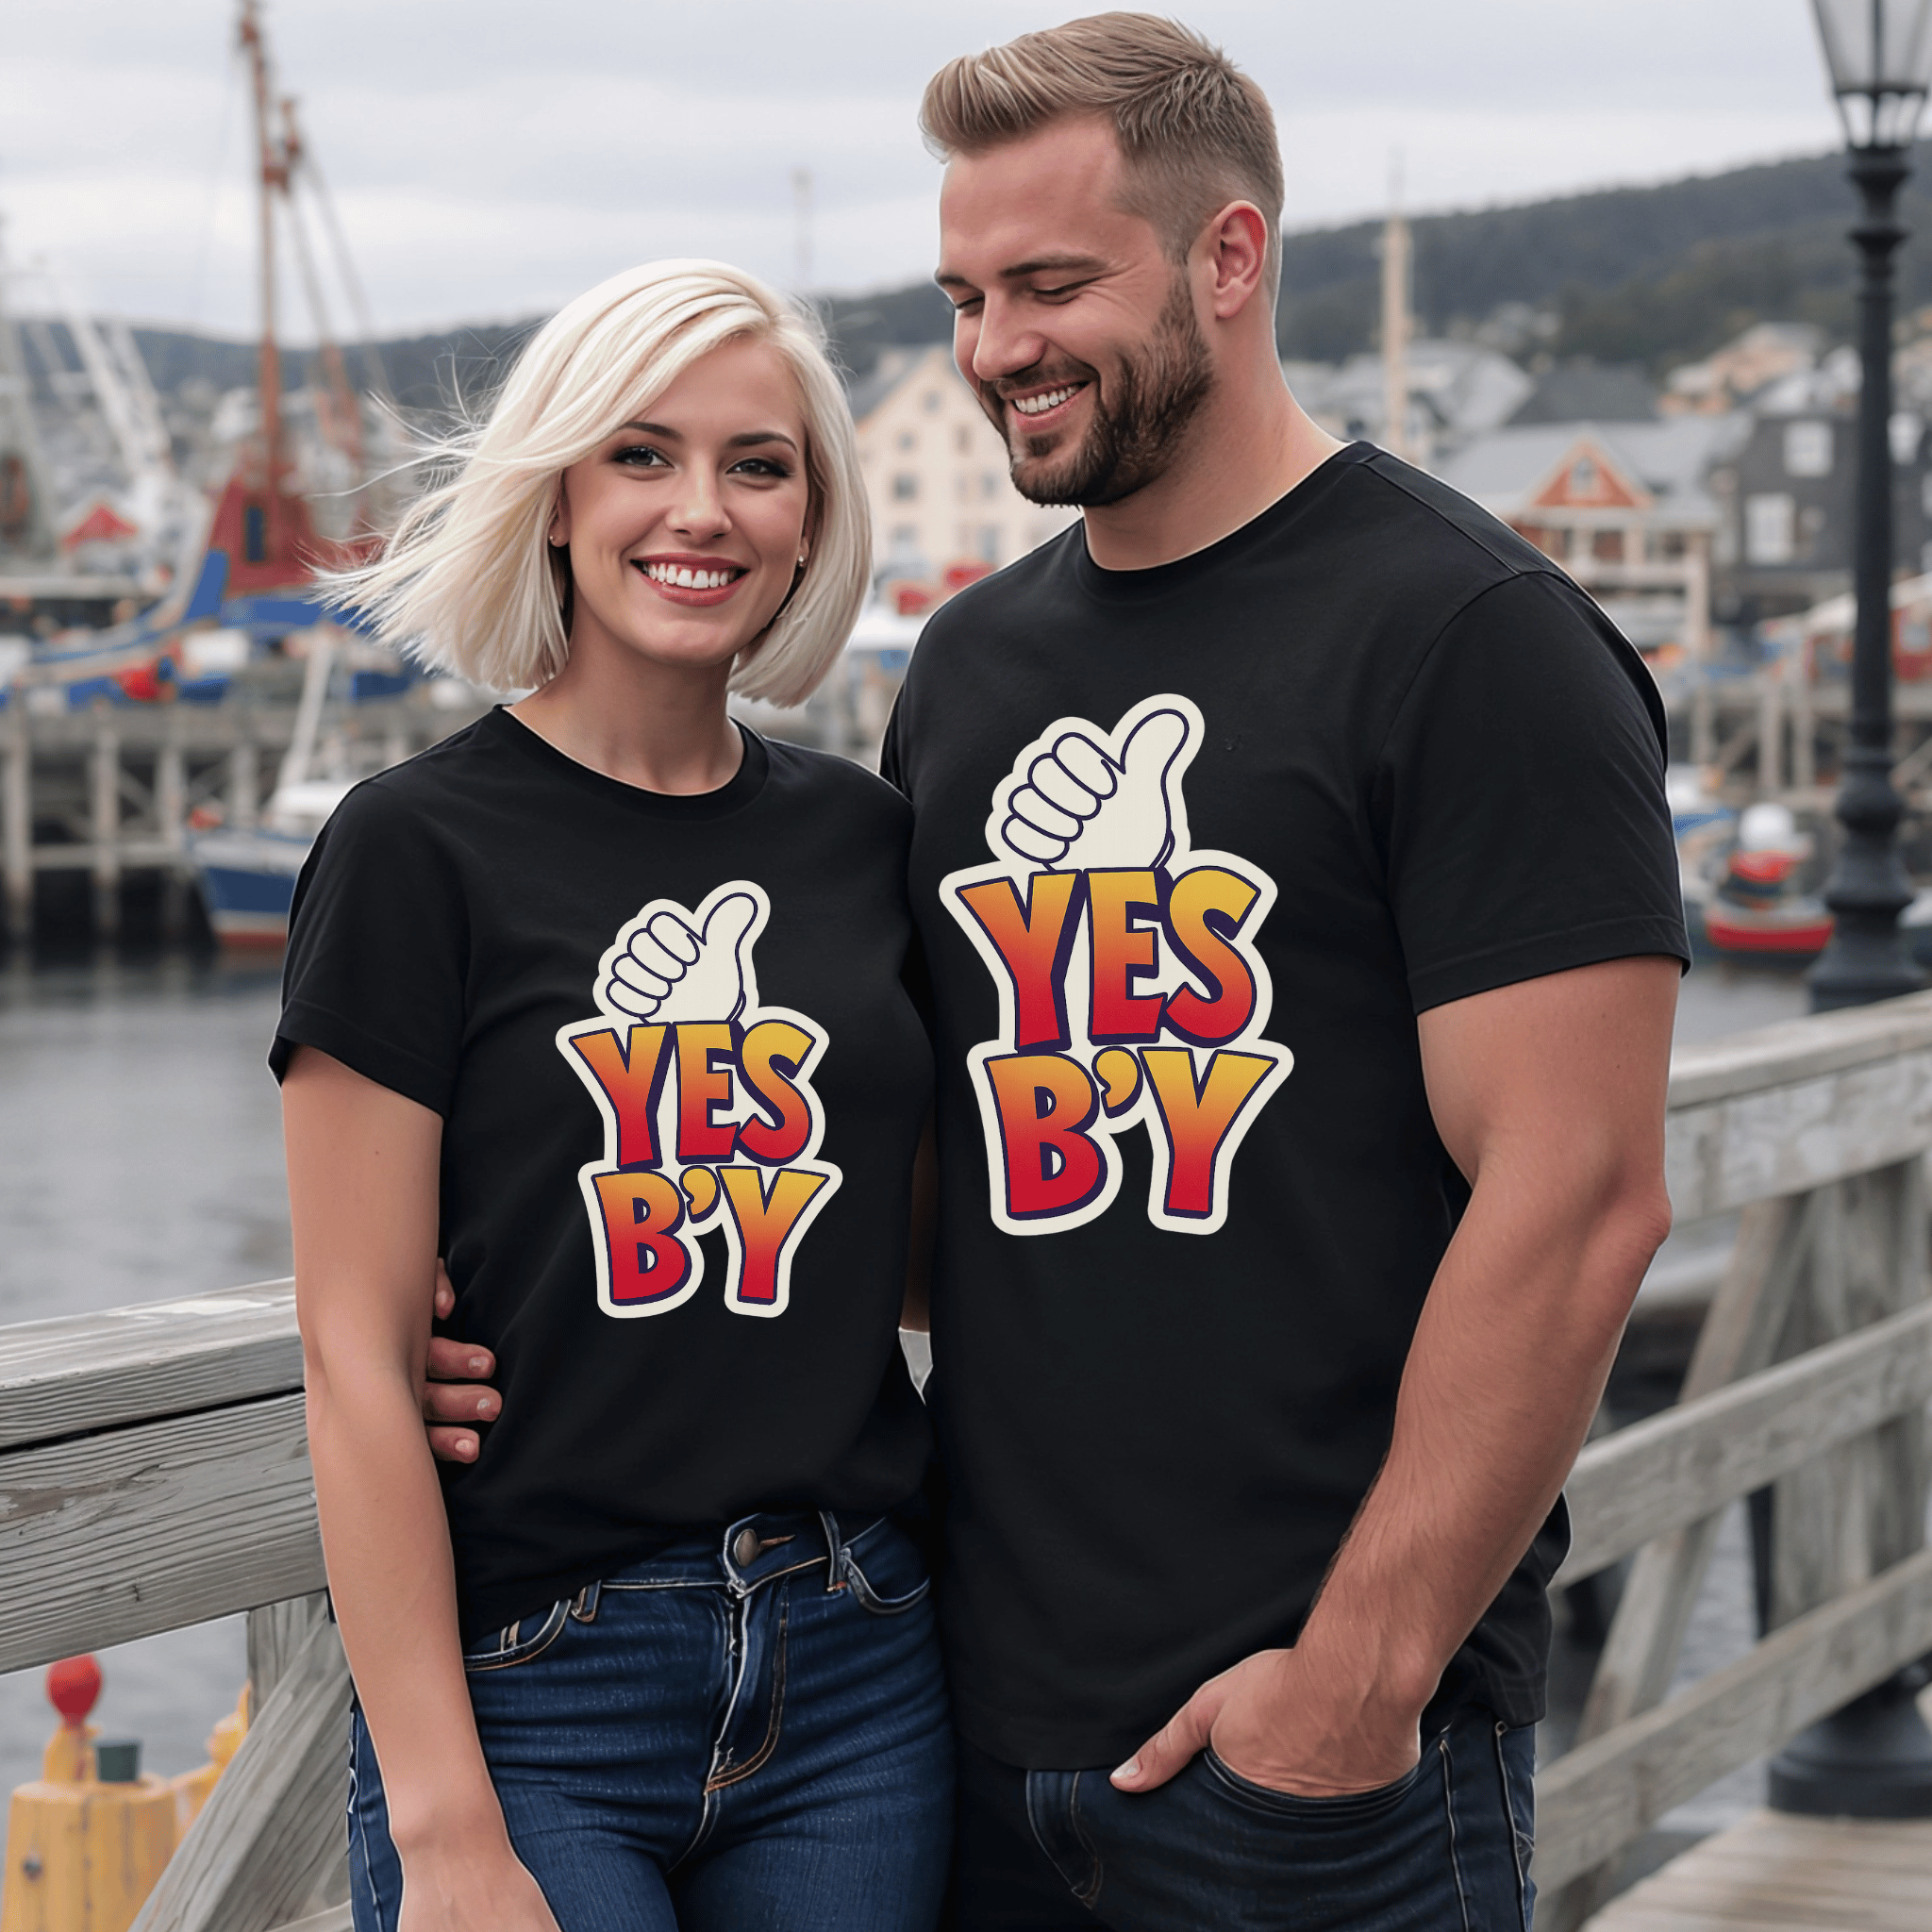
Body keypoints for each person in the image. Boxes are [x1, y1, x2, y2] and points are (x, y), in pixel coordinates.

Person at [427, 17, 1689, 1927]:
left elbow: (1582, 1195)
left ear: (1227, 260)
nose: (995, 341)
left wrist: (1350, 1685)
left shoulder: (1470, 638)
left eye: (1050, 282)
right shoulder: (973, 670)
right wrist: (548, 1280)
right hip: (957, 1724)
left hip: (1313, 1757)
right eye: (962, 292)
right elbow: (933, 1174)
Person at [277, 258, 951, 1932]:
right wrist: (440, 1826)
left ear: (808, 518)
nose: (700, 511)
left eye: (758, 463)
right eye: (641, 455)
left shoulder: (867, 844)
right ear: (558, 498)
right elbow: (352, 1359)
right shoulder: (411, 850)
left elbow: (920, 1244)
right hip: (534, 1683)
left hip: (858, 1661)